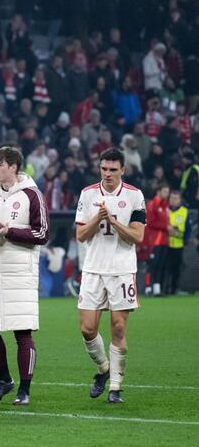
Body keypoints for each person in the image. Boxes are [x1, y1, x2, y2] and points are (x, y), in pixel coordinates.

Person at [0, 146, 49, 406]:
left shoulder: (32, 195)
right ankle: (5, 380)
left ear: (14, 167)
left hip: (21, 271)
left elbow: (42, 234)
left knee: (22, 332)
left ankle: (24, 389)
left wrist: (10, 231)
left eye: (0, 164)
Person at [75, 147, 146, 404]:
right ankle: (104, 369)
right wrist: (97, 218)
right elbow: (81, 236)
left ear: (122, 170)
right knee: (87, 329)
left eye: (113, 169)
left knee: (118, 327)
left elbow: (138, 236)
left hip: (122, 269)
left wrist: (114, 222)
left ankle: (115, 387)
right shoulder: (88, 194)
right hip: (93, 268)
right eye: (104, 169)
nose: (107, 174)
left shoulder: (135, 196)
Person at [145, 184, 170, 295]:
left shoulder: (165, 206)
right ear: (158, 191)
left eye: (167, 192)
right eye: (165, 191)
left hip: (164, 240)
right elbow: (150, 222)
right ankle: (148, 287)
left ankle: (157, 289)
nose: (167, 194)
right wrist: (166, 227)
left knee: (160, 264)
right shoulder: (152, 205)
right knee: (153, 264)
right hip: (155, 240)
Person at [166, 190, 188, 295]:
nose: (173, 201)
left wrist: (185, 240)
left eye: (175, 198)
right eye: (171, 198)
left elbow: (188, 228)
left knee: (176, 269)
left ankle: (174, 289)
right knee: (165, 268)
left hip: (178, 245)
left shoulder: (184, 211)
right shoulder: (165, 210)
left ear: (180, 200)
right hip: (165, 244)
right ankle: (164, 289)